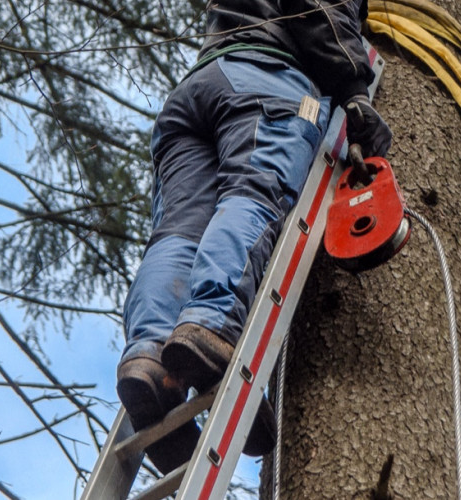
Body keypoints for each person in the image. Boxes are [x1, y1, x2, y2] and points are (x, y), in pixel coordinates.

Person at [116, 0, 393, 473]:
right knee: (255, 194)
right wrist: (355, 89)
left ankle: (152, 360)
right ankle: (211, 325)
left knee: (177, 231)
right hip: (268, 79)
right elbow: (317, 8)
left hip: (200, 87)